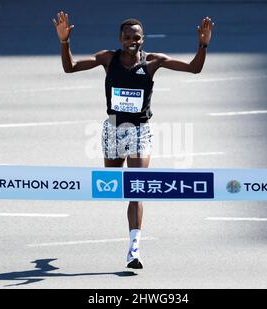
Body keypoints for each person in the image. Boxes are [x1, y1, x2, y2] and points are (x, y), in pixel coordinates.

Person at [52, 12, 214, 269]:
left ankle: (134, 248)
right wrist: (64, 42)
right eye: (127, 37)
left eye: (136, 37)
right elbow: (70, 67)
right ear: (120, 38)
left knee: (136, 187)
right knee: (113, 183)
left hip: (140, 129)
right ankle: (132, 237)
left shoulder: (152, 62)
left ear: (142, 39)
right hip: (114, 128)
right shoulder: (108, 58)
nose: (131, 41)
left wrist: (203, 45)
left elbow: (194, 68)